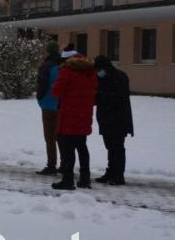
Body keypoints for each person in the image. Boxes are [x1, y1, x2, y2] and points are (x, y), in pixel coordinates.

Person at [51, 53, 98, 190]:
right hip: (84, 116)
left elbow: (56, 91)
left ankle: (68, 180)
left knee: (67, 150)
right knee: (82, 147)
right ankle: (85, 178)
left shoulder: (67, 72)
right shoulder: (91, 74)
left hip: (69, 115)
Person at [94, 55, 134, 186]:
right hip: (106, 118)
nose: (98, 72)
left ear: (105, 67)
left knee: (117, 147)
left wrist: (101, 96)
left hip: (118, 119)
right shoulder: (102, 78)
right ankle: (111, 172)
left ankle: (119, 175)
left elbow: (119, 97)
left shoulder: (120, 77)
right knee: (110, 147)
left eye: (99, 69)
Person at [35, 41, 61, 175]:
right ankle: (65, 164)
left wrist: (40, 98)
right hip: (62, 105)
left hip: (49, 104)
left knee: (50, 137)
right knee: (62, 136)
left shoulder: (46, 66)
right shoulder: (63, 64)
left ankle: (51, 165)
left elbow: (42, 85)